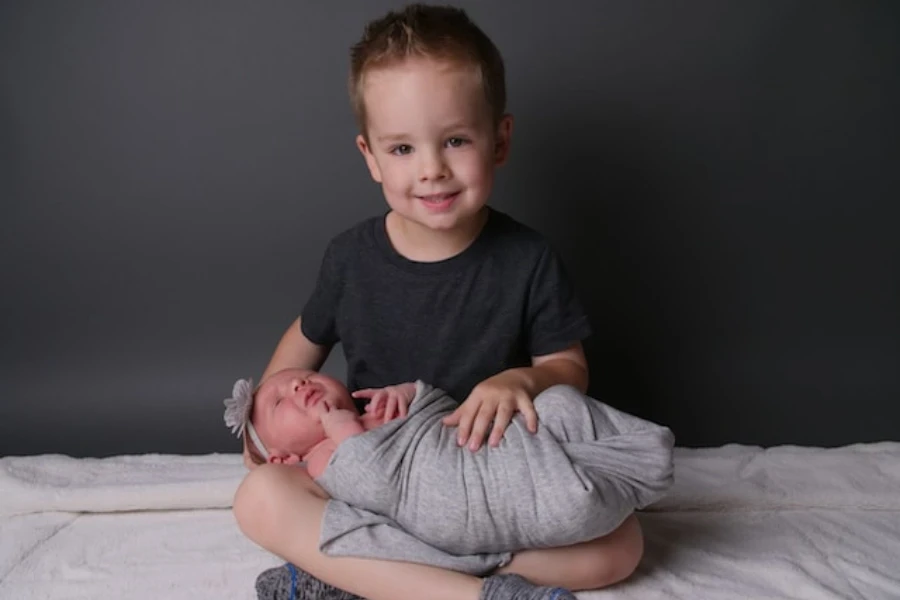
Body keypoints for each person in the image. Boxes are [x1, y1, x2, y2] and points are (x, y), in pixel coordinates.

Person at [233, 4, 645, 600]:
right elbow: (304, 340)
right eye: (402, 149)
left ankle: (363, 577)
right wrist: (264, 426)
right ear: (370, 155)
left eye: (455, 140)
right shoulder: (350, 258)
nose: (432, 171)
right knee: (259, 500)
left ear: (499, 140)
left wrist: (518, 382)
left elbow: (568, 370)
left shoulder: (527, 259)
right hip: (376, 470)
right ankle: (479, 592)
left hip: (486, 478)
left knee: (622, 543)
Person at [225, 368, 673, 578]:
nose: (299, 386)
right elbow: (374, 479)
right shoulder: (324, 458)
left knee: (561, 406)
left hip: (485, 447)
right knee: (572, 500)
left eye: (302, 377)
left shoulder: (376, 411)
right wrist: (342, 429)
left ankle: (633, 450)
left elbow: (441, 416)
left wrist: (407, 393)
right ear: (286, 460)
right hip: (460, 500)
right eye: (281, 402)